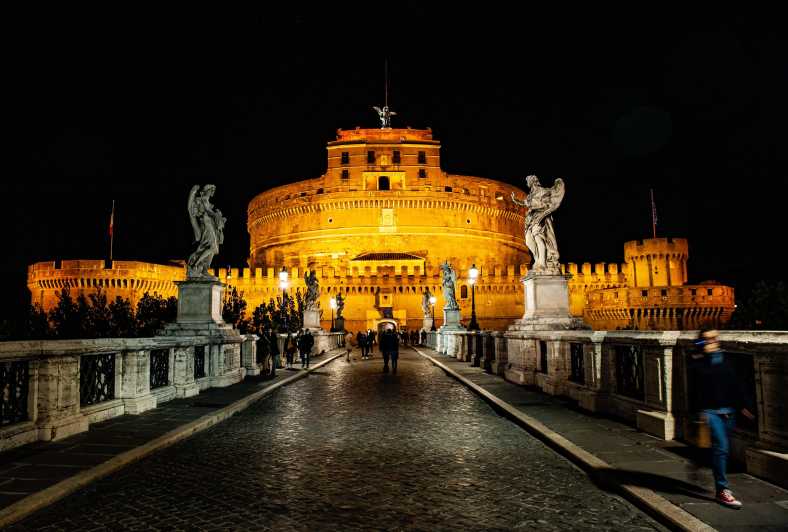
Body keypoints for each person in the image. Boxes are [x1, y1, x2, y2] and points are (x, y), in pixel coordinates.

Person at [688, 329, 755, 509]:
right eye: (707, 339)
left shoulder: (727, 360)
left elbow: (736, 385)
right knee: (722, 448)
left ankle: (698, 462)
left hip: (728, 412)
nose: (712, 342)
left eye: (714, 338)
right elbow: (693, 392)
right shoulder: (698, 364)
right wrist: (696, 413)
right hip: (709, 412)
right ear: (701, 342)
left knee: (719, 449)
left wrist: (743, 406)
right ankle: (722, 490)